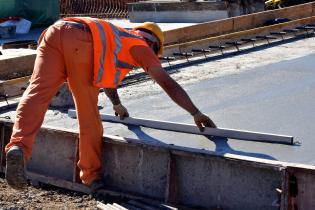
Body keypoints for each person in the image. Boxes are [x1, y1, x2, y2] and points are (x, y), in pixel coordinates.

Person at [5, 17, 216, 192]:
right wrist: (195, 112)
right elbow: (167, 82)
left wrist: (117, 104)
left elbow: (103, 73)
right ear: (154, 45)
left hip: (55, 31)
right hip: (81, 41)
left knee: (36, 94)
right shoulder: (142, 47)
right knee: (88, 115)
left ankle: (18, 147)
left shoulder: (117, 37)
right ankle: (91, 176)